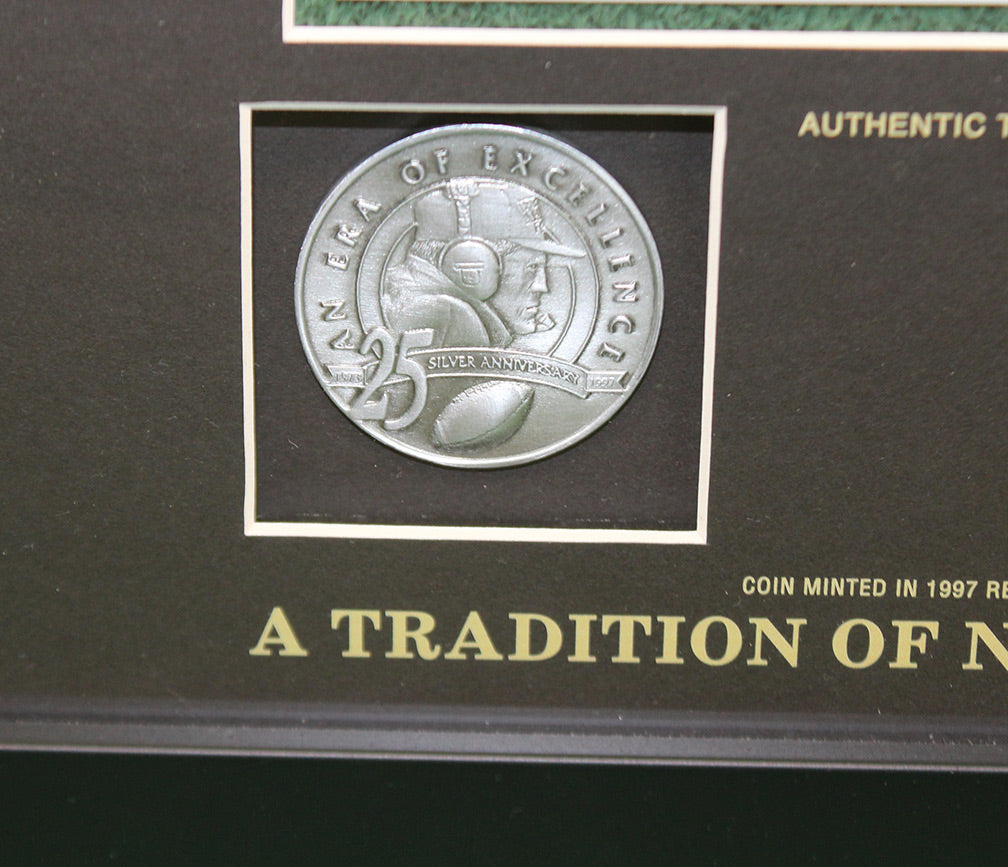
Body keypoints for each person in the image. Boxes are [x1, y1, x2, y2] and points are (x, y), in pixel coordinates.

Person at [380, 178, 584, 349]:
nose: (542, 286)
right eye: (532, 268)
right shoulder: (454, 320)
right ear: (472, 263)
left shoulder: (406, 300)